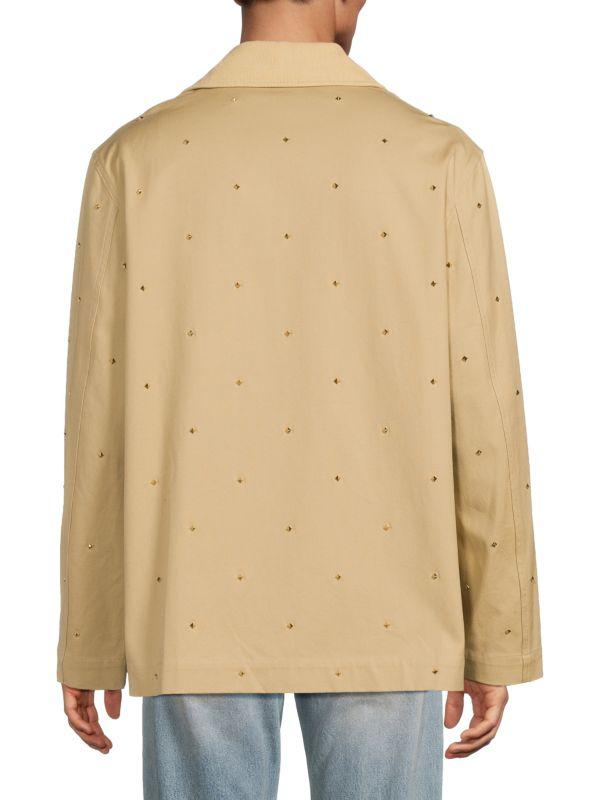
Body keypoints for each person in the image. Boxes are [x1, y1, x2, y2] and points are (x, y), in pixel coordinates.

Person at [57, 0, 542, 797]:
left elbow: (97, 421)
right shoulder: (438, 161)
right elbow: (486, 416)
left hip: (191, 604)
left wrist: (89, 632)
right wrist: (498, 634)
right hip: (390, 607)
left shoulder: (134, 160)